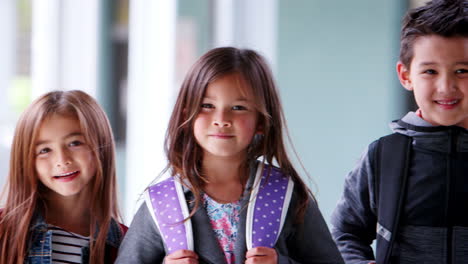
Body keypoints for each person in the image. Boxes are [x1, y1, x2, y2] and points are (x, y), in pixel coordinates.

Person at [116, 47, 343, 264]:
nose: (221, 119)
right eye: (207, 105)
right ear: (187, 115)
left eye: (238, 108)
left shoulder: (286, 194)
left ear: (261, 122)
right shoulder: (162, 202)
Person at [331, 0, 468, 263]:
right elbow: (344, 232)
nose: (446, 86)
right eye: (430, 71)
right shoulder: (382, 157)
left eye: (462, 71)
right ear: (406, 76)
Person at [0, 90, 127, 264]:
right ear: (26, 160)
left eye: (74, 143)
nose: (62, 160)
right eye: (44, 150)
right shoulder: (4, 232)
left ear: (101, 147)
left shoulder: (127, 244)